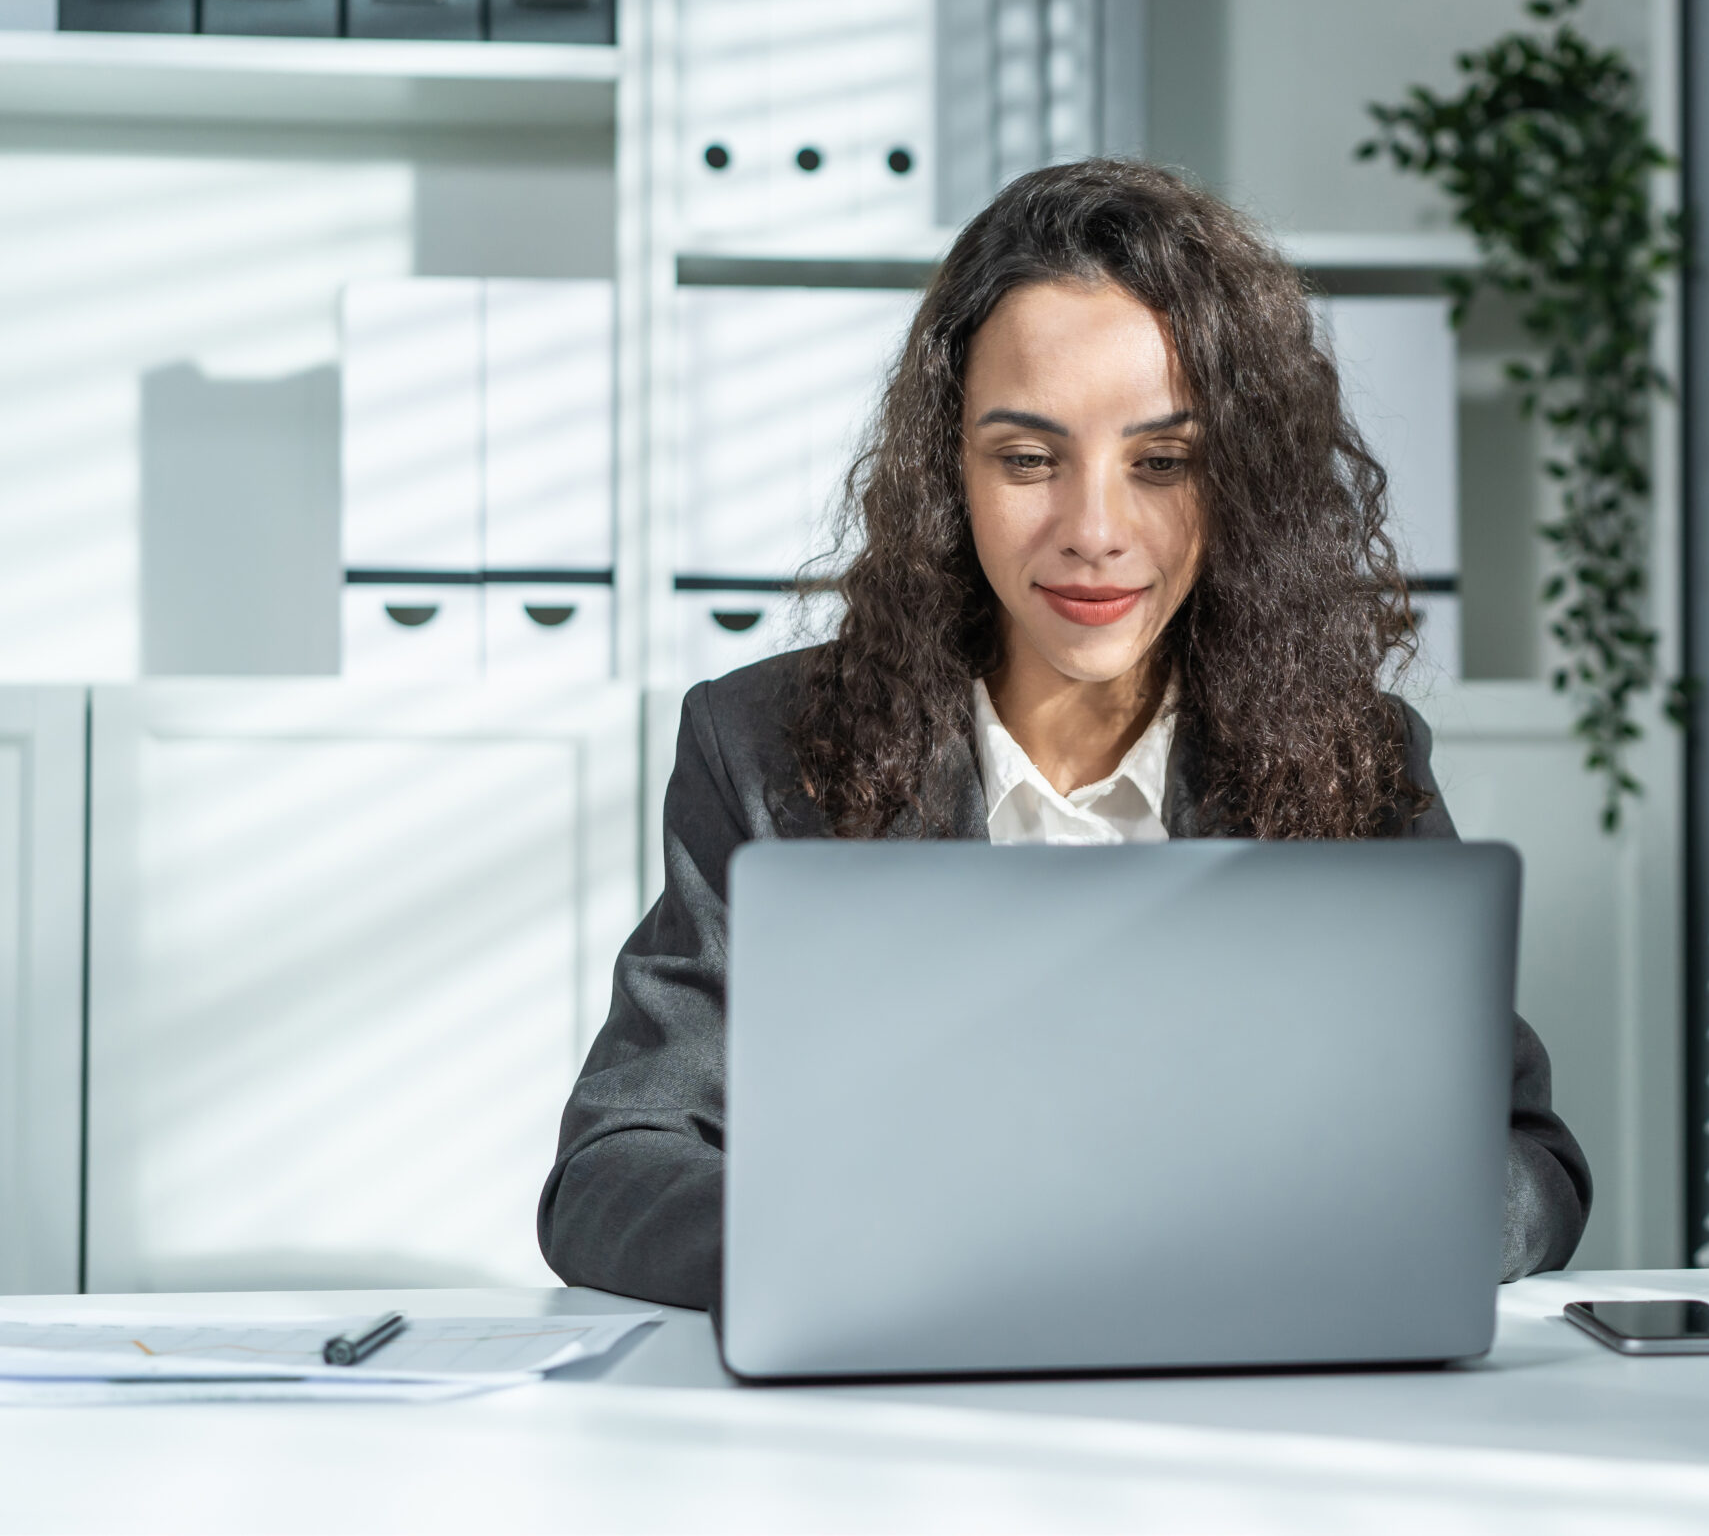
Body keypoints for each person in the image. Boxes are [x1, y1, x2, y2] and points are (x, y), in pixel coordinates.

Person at [538, 158, 1592, 1310]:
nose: (1095, 530)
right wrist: (869, 1250)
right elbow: (610, 1172)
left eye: (1163, 463)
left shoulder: (1355, 761)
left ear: (1237, 480)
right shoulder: (764, 746)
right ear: (950, 466)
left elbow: (1527, 1166)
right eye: (1029, 459)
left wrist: (1294, 1223)